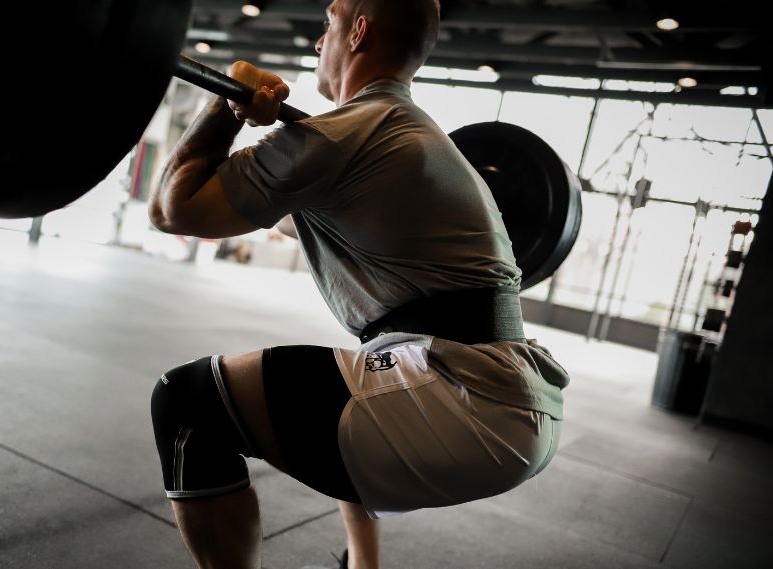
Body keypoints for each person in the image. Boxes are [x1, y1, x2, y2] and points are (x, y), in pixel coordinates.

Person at [146, 1, 570, 568]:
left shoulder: (346, 133)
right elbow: (309, 221)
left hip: (469, 401)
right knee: (351, 389)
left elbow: (174, 210)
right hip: (508, 398)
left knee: (190, 400)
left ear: (359, 30)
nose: (320, 42)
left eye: (328, 24)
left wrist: (224, 109)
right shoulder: (404, 133)